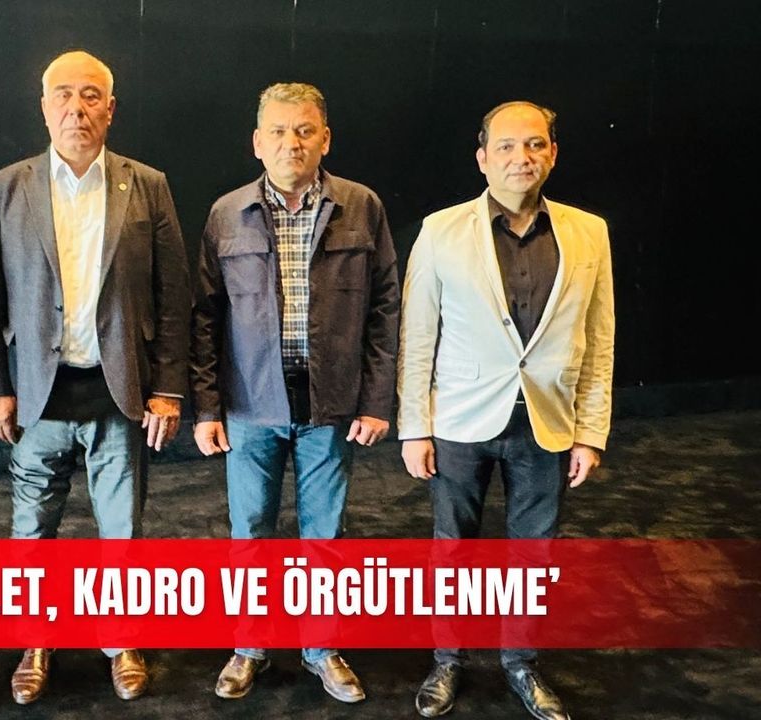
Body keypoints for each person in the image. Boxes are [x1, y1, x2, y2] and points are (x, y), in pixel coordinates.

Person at [0, 50, 191, 704]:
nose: (77, 108)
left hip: (119, 392)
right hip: (38, 395)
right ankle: (35, 644)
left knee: (121, 532)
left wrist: (167, 389)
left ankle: (121, 642)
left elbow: (173, 293)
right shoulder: (5, 187)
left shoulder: (146, 185)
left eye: (91, 95)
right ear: (44, 107)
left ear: (110, 109)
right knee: (32, 532)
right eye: (63, 95)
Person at [397, 100, 615, 720]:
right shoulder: (441, 230)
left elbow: (599, 338)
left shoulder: (589, 232)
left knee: (534, 553)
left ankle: (521, 663)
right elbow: (417, 336)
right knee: (453, 550)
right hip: (458, 419)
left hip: (548, 421)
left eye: (536, 144)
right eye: (508, 146)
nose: (523, 156)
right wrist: (414, 427)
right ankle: (448, 661)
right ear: (483, 157)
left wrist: (591, 432)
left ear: (553, 153)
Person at [189, 82, 400, 704]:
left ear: (324, 139)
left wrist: (376, 401)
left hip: (331, 404)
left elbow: (385, 308)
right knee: (250, 530)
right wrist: (206, 407)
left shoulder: (362, 206)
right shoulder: (227, 213)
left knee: (324, 535)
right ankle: (249, 647)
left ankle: (321, 648)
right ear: (257, 142)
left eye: (305, 131)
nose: (292, 143)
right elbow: (205, 317)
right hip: (250, 406)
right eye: (278, 132)